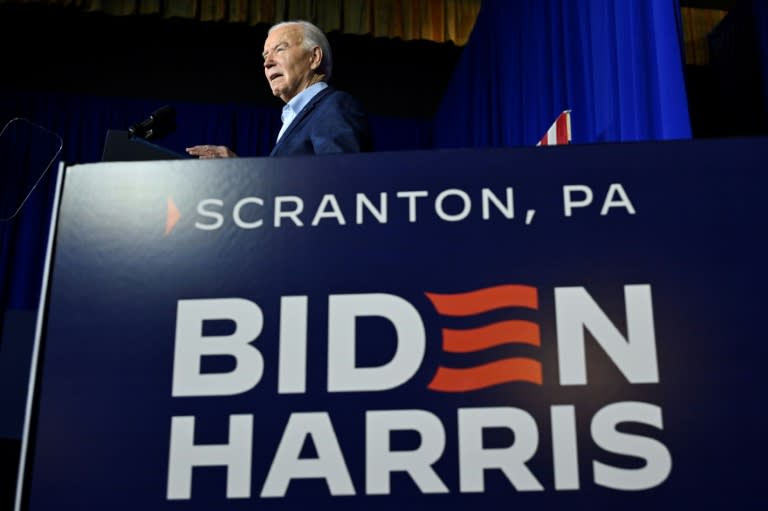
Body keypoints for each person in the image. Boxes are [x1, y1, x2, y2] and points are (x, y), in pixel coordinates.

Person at [186, 20, 371, 159]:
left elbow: (340, 179)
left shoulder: (334, 106)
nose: (267, 63)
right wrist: (238, 170)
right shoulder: (295, 117)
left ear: (314, 57)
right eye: (265, 55)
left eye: (280, 50)